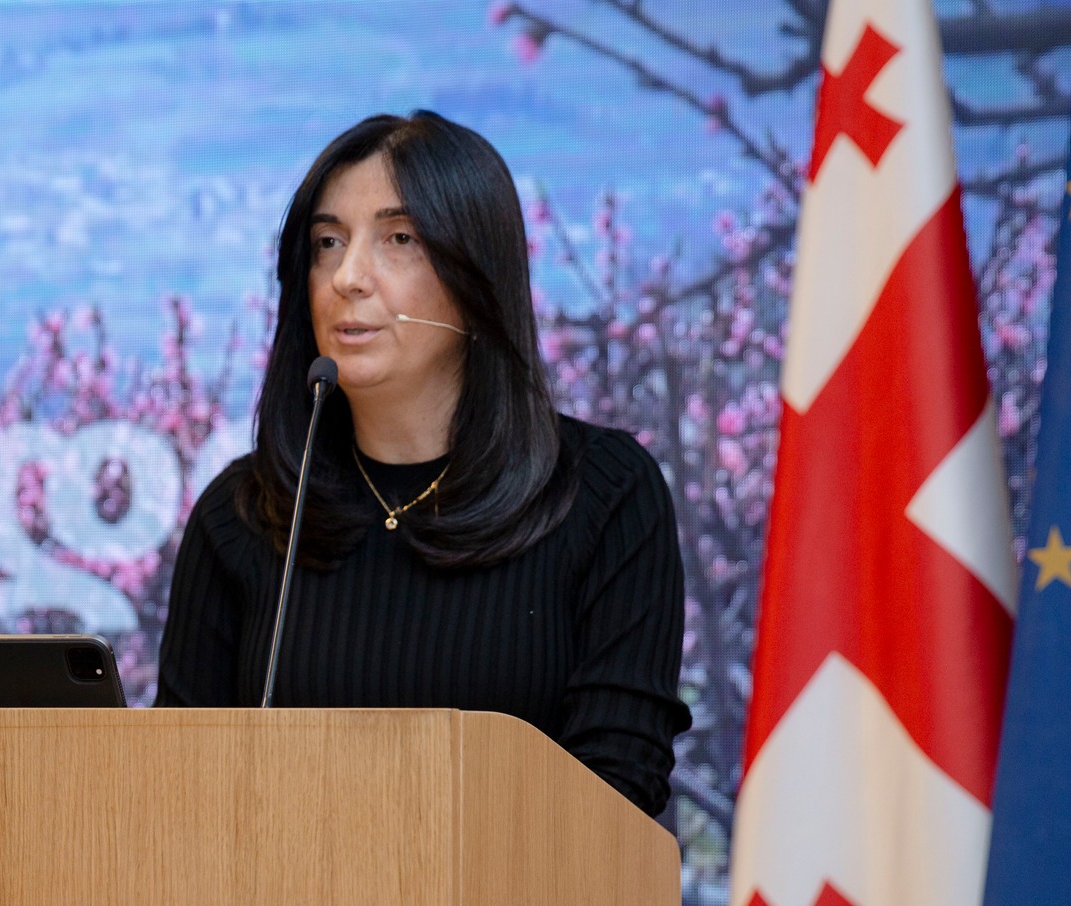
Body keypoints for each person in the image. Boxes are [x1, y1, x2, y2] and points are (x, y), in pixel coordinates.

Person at [155, 110, 691, 817]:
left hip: (517, 891)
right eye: (327, 243)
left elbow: (615, 799)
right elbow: (177, 795)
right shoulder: (245, 514)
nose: (348, 277)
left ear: (477, 275)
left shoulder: (603, 495)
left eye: (399, 239)